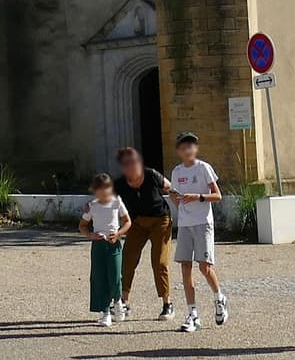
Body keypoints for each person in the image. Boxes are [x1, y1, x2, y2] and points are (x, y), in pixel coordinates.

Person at [167, 132, 228, 332]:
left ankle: (219, 298)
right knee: (185, 266)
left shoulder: (203, 168)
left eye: (191, 146)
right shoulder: (177, 171)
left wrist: (198, 197)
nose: (187, 150)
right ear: (178, 151)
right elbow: (173, 194)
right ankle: (192, 314)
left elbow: (217, 195)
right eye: (183, 147)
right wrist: (180, 203)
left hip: (203, 223)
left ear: (195, 149)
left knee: (204, 267)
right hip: (185, 224)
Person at [112, 146, 176, 321]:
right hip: (137, 222)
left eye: (134, 161)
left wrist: (186, 209)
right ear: (122, 167)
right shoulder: (119, 184)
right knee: (128, 258)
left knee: (159, 261)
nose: (132, 165)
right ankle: (124, 302)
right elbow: (107, 201)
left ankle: (167, 304)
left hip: (160, 220)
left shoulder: (151, 175)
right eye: (127, 163)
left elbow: (171, 189)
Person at [77, 172, 131, 327]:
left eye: (106, 187)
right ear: (95, 190)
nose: (103, 191)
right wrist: (91, 235)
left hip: (113, 243)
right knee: (100, 277)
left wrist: (119, 233)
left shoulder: (116, 202)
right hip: (99, 244)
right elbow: (82, 226)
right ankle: (105, 312)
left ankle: (118, 301)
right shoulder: (92, 206)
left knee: (115, 276)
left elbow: (127, 222)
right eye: (100, 188)